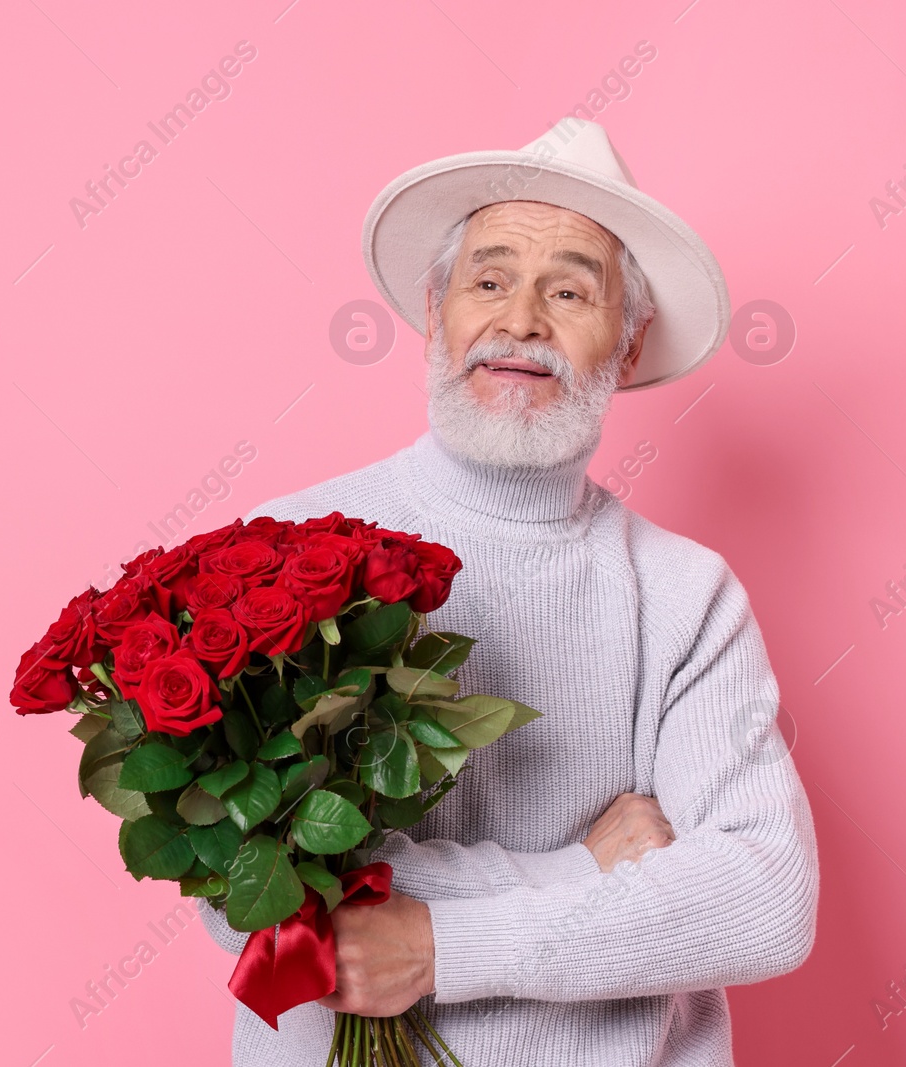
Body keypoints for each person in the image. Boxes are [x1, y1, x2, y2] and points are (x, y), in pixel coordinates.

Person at [196, 118, 818, 1066]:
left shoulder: (688, 595)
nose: (521, 319)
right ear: (438, 303)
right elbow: (239, 891)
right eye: (488, 280)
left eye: (570, 289)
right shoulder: (287, 554)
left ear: (632, 339)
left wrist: (444, 946)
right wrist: (577, 868)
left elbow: (764, 898)